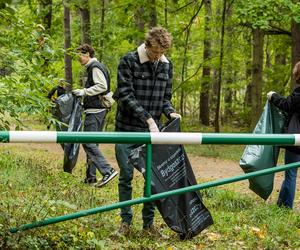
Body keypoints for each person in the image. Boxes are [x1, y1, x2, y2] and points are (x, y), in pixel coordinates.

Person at [114, 27, 181, 236]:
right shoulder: (129, 61)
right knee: (125, 176)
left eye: (162, 53)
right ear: (147, 45)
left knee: (151, 179)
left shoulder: (166, 66)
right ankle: (125, 223)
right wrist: (147, 117)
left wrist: (170, 113)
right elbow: (124, 94)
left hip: (152, 133)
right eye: (154, 53)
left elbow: (165, 98)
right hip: (126, 130)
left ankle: (148, 225)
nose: (157, 57)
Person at [72, 44, 118, 187]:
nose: (78, 58)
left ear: (87, 54)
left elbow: (102, 86)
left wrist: (83, 92)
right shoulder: (96, 66)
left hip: (95, 110)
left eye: (80, 54)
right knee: (92, 142)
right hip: (99, 109)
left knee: (88, 142)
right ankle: (90, 178)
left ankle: (107, 171)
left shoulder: (95, 67)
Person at [267, 61, 300, 209]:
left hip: (297, 139)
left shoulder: (299, 92)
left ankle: (285, 207)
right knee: (291, 172)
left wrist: (273, 96)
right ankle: (281, 204)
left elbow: (287, 105)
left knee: (291, 173)